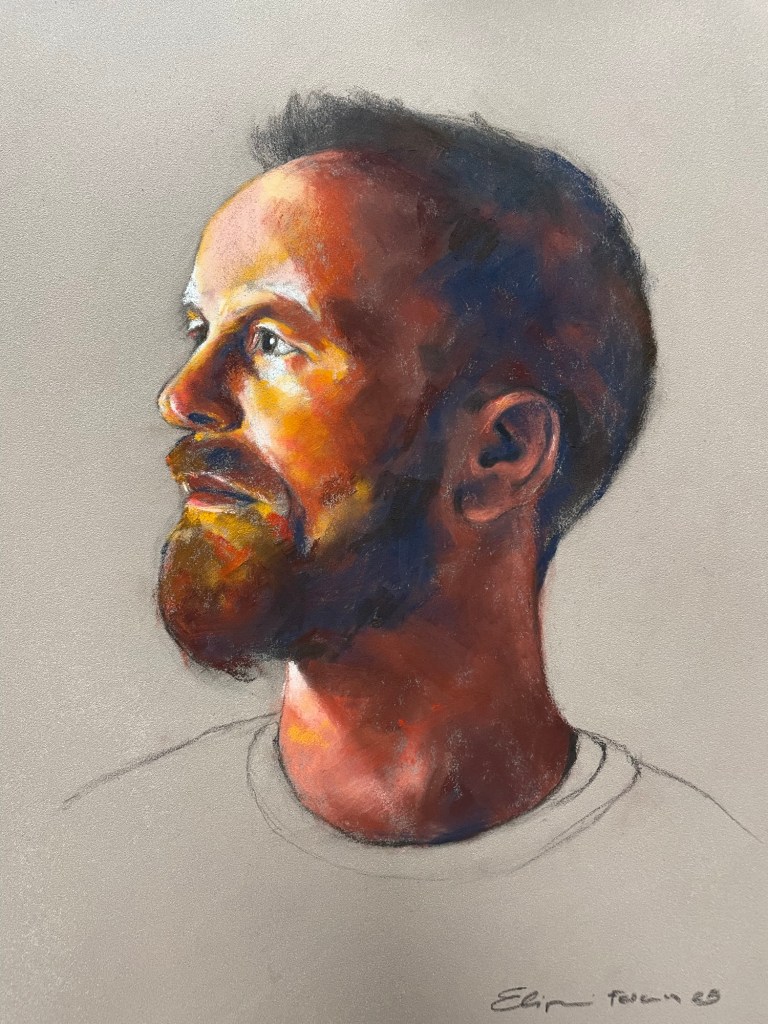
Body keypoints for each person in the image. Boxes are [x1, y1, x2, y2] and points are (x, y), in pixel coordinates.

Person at [50, 92, 763, 1023]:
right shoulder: (92, 862)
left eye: (271, 341)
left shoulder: (724, 898)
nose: (183, 397)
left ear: (500, 454)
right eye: (200, 334)